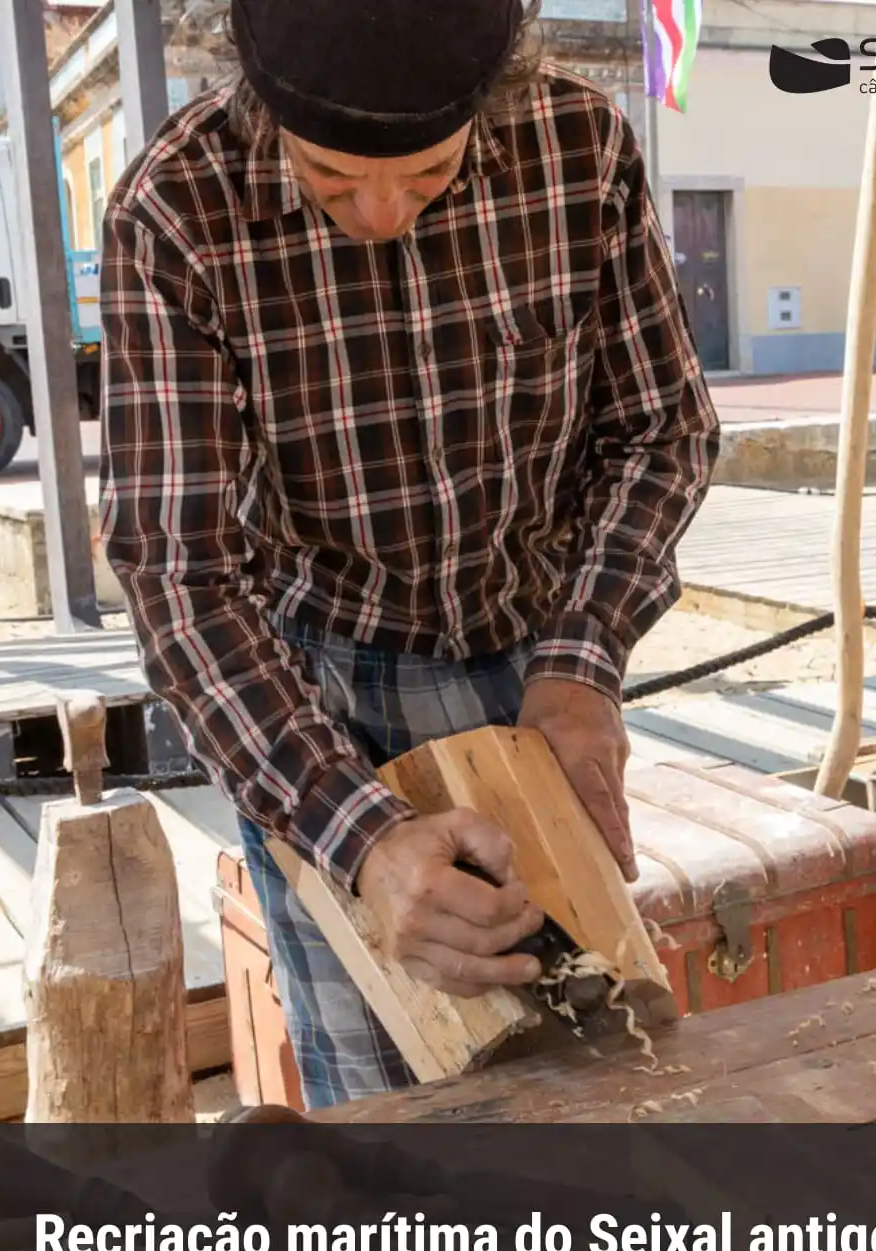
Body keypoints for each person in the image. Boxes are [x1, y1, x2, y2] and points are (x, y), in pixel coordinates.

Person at [99, 0, 720, 1109]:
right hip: (309, 703)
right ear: (258, 99)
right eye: (331, 184)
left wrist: (582, 662)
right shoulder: (178, 208)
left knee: (603, 1070)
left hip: (535, 665)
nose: (382, 214)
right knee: (399, 1117)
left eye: (429, 175)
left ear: (498, 95)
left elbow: (660, 429)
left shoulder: (579, 153)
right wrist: (360, 837)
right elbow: (178, 571)